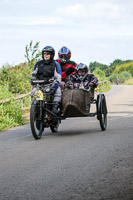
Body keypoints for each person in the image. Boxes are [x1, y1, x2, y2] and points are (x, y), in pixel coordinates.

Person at [30, 46, 61, 114]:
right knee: (33, 92)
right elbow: (33, 74)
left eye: (48, 54)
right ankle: (34, 110)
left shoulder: (56, 64)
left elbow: (58, 77)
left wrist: (55, 86)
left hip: (51, 84)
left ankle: (55, 108)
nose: (46, 55)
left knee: (58, 92)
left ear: (51, 55)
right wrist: (32, 82)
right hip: (39, 85)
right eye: (44, 54)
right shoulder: (38, 63)